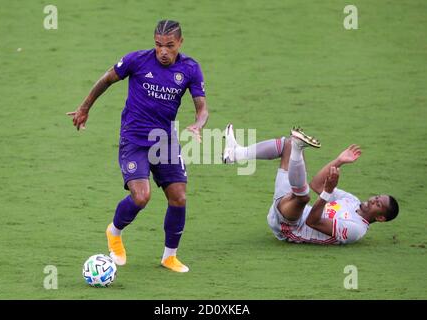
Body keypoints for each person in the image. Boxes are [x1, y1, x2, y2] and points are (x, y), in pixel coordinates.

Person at [67, 20, 209, 272]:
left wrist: (198, 124)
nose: (163, 51)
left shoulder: (190, 68)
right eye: (158, 45)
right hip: (134, 139)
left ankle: (169, 257)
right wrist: (84, 107)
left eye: (169, 46)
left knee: (179, 197)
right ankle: (114, 231)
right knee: (141, 196)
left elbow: (202, 107)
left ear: (180, 43)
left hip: (164, 139)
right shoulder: (138, 60)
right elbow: (106, 79)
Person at [223, 124, 399, 244]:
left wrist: (327, 193)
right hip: (287, 208)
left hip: (290, 227)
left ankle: (300, 149)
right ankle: (236, 154)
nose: (373, 200)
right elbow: (316, 184)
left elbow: (313, 221)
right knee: (289, 145)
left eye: (378, 204)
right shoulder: (352, 201)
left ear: (381, 218)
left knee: (303, 197)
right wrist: (339, 161)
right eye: (376, 197)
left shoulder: (356, 230)